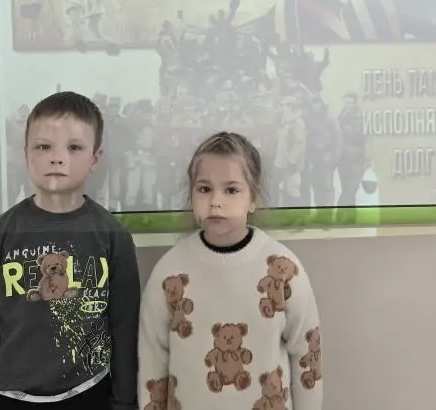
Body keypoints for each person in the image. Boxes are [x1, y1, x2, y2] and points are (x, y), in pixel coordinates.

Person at [0, 91, 140, 410]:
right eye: (43, 147)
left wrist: (125, 401)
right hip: (10, 397)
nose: (57, 158)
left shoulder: (114, 236)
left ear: (95, 158)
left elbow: (124, 327)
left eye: (74, 147)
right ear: (26, 153)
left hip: (89, 393)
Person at [138, 131, 323, 410]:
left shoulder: (283, 270)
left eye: (231, 190)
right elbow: (152, 362)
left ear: (253, 198)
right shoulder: (169, 272)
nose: (216, 201)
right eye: (204, 189)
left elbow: (308, 356)